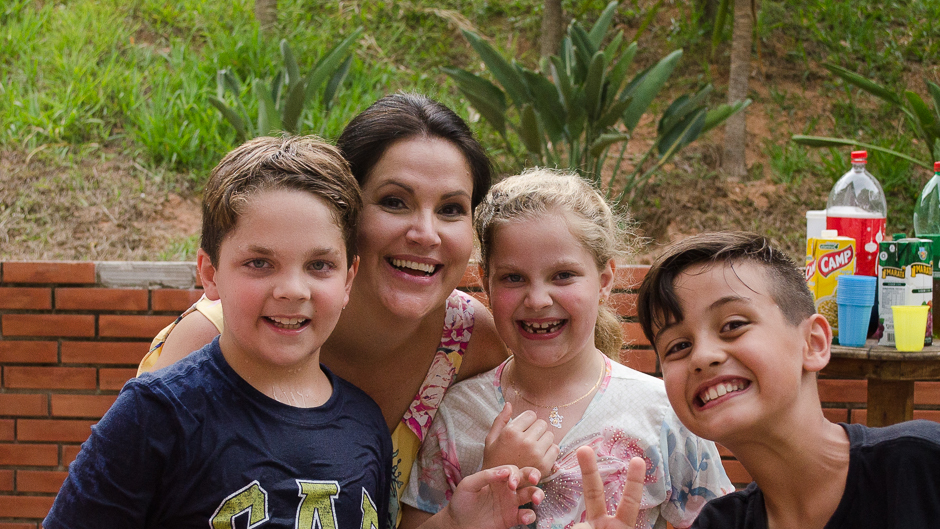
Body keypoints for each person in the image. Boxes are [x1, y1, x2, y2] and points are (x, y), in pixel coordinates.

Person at [136, 93, 509, 524]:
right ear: (343, 211)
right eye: (394, 201)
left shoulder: (472, 342)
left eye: (451, 209)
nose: (425, 233)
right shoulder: (222, 337)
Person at [45, 135, 391, 527]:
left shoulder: (367, 425)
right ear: (210, 273)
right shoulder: (155, 415)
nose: (292, 290)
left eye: (319, 265)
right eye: (260, 263)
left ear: (348, 280)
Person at [401, 169, 733, 529]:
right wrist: (485, 489)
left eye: (563, 275)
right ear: (486, 284)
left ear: (604, 281)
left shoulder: (664, 414)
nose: (538, 299)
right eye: (514, 277)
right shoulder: (457, 415)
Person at [635, 231, 940, 529]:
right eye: (678, 347)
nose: (702, 357)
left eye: (733, 325)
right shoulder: (719, 522)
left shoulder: (922, 466)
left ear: (813, 343)